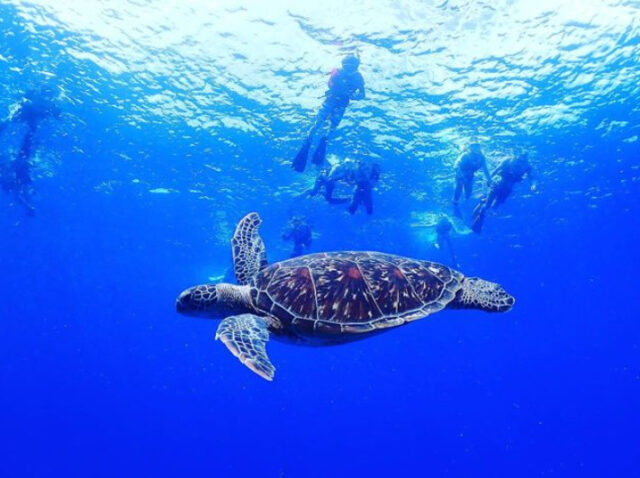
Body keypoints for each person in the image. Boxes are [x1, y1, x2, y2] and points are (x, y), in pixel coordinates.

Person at [292, 54, 366, 172]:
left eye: (351, 68)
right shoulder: (338, 72)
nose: (348, 71)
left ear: (356, 67)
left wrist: (354, 95)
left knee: (330, 126)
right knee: (319, 123)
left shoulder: (358, 77)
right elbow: (330, 83)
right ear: (343, 65)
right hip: (332, 100)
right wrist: (347, 91)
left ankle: (321, 143)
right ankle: (309, 144)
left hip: (340, 103)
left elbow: (362, 94)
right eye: (346, 67)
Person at [0, 87, 60, 216]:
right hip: (31, 115)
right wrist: (29, 207)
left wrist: (28, 207)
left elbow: (19, 195)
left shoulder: (5, 170)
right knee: (31, 138)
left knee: (29, 134)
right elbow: (20, 195)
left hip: (29, 112)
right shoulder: (19, 175)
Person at [471, 153, 536, 233]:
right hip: (497, 184)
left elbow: (532, 177)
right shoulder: (508, 160)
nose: (520, 163)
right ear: (516, 156)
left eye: (523, 161)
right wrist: (489, 180)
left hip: (507, 189)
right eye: (519, 160)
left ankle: (483, 201)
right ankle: (480, 216)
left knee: (494, 206)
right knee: (487, 206)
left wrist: (533, 185)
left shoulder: (527, 167)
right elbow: (496, 170)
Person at [453, 143, 492, 218]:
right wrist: (461, 174)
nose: (476, 148)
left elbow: (485, 169)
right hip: (460, 176)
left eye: (478, 146)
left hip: (470, 177)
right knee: (458, 191)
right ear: (470, 148)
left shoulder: (482, 157)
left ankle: (465, 206)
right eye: (474, 146)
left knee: (468, 193)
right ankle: (455, 206)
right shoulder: (465, 155)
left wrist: (489, 180)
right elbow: (456, 165)